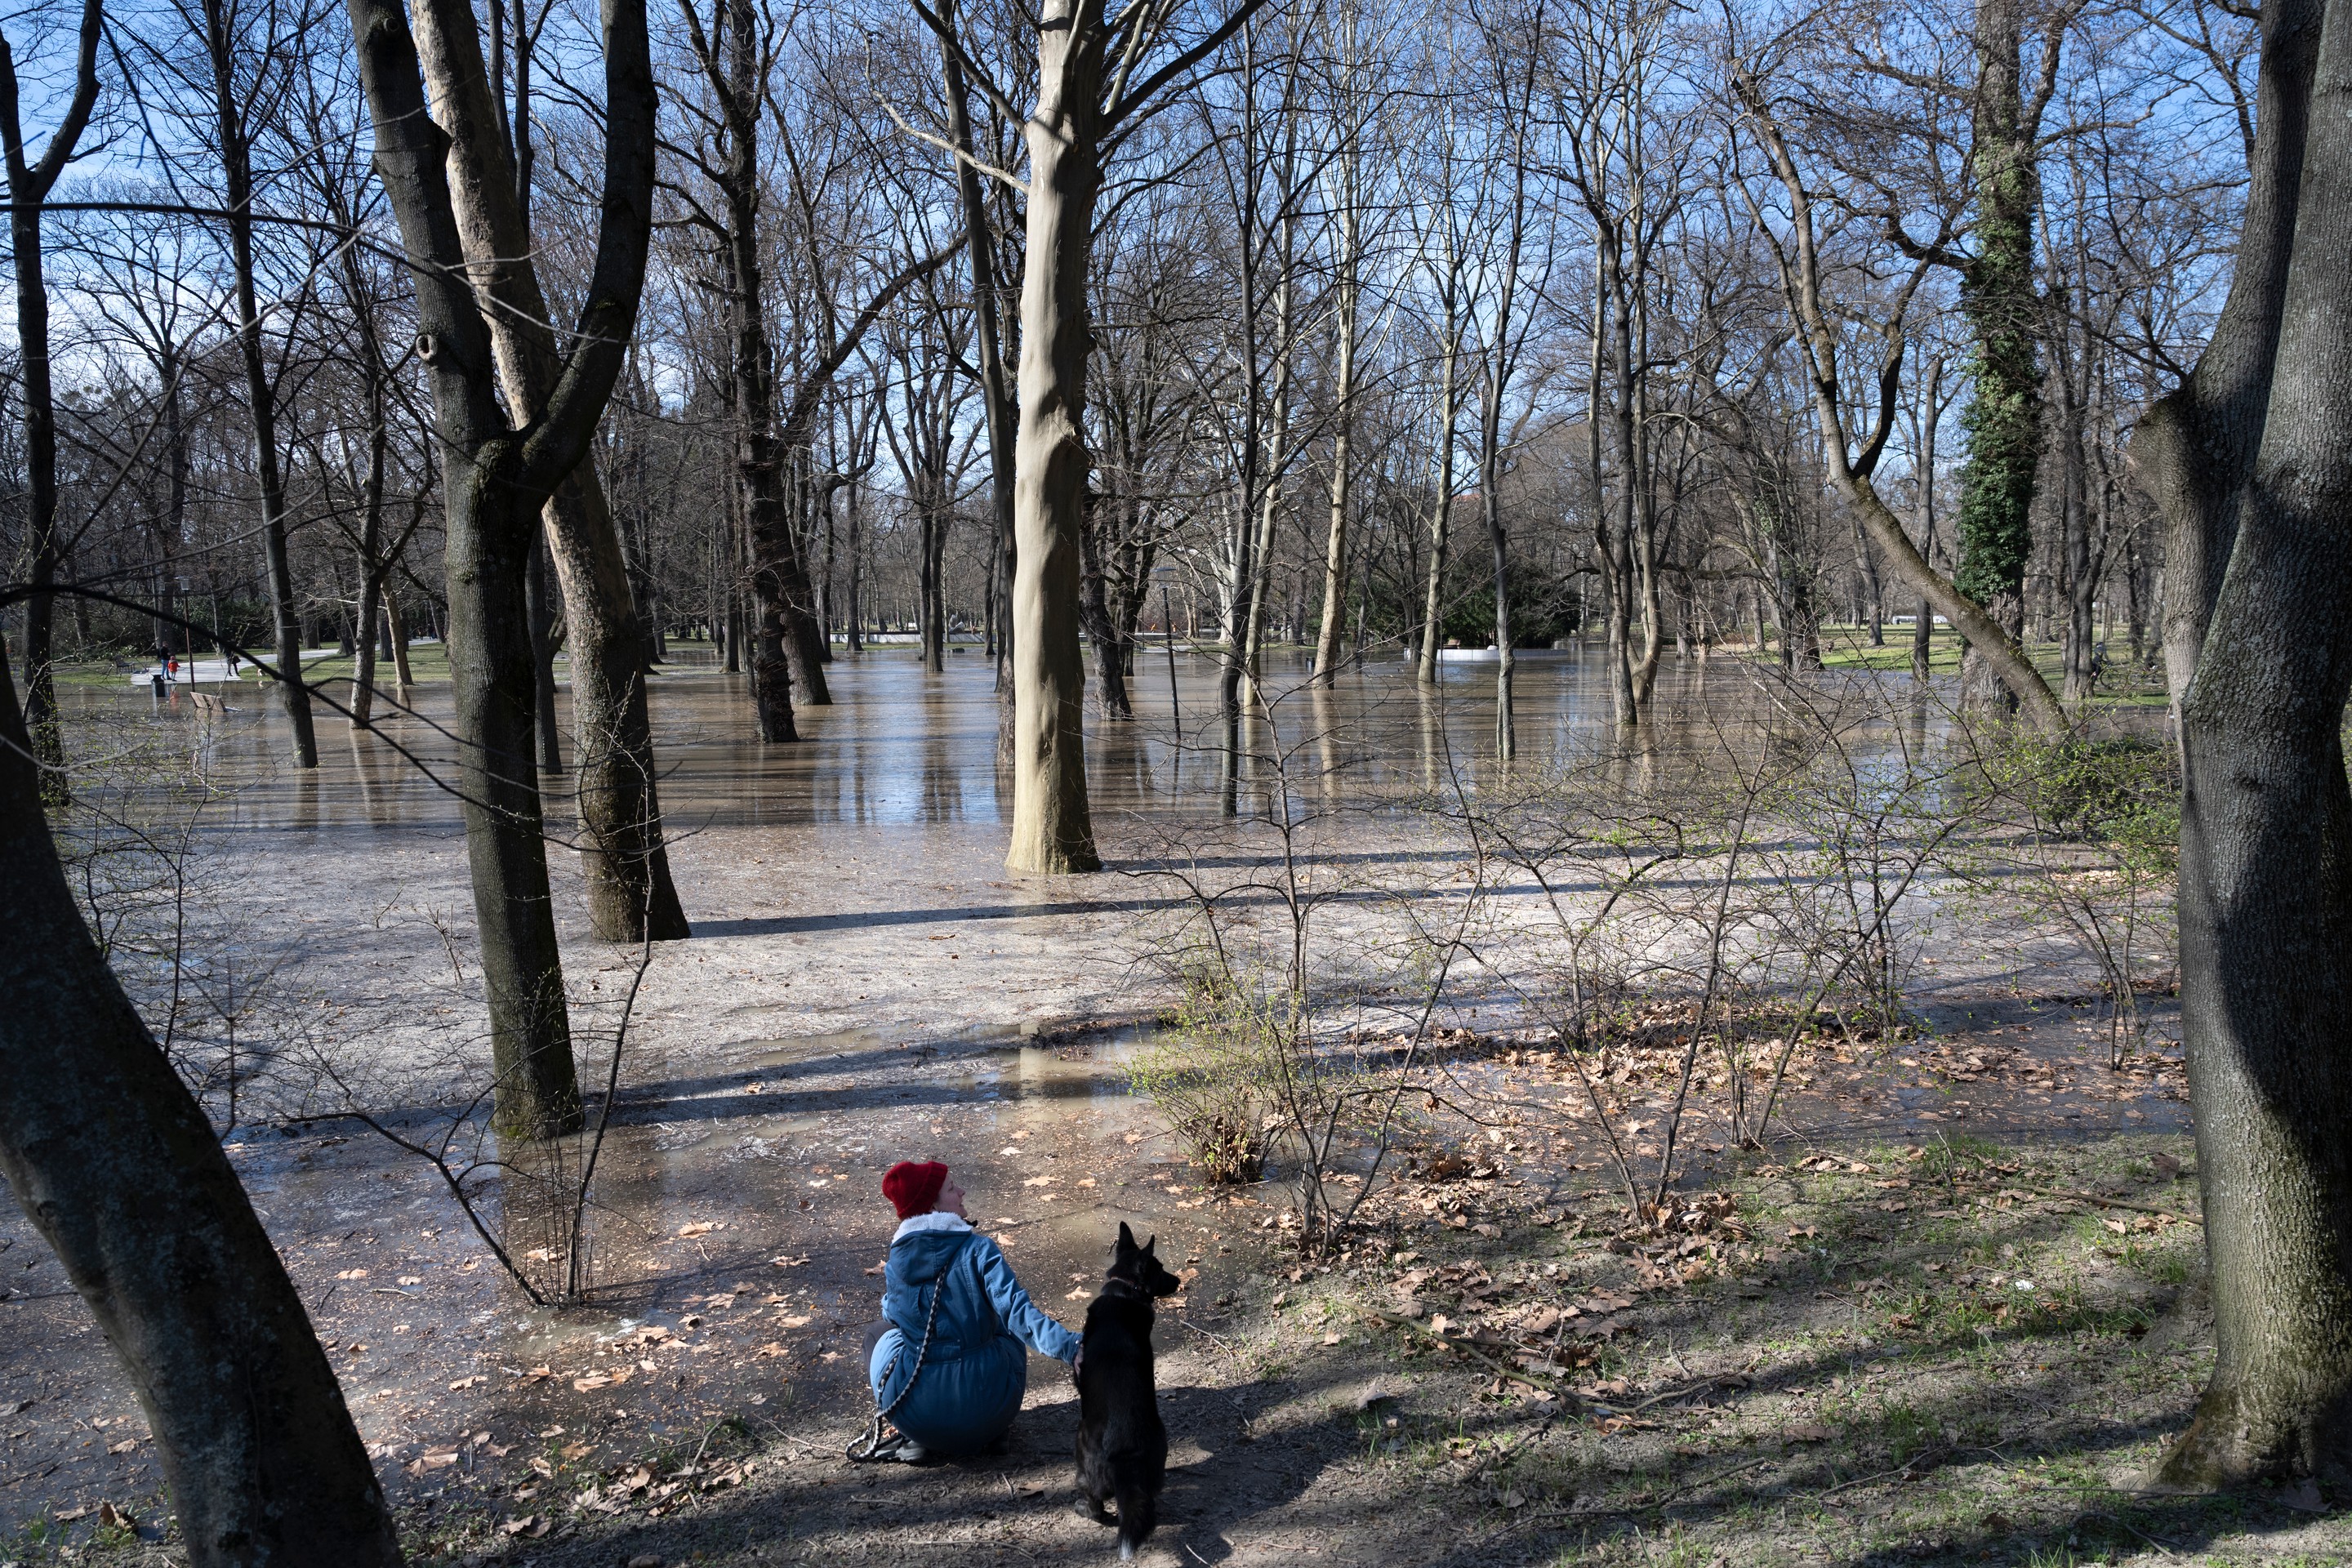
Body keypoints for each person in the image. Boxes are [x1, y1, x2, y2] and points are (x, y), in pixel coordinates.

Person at [865, 1160, 1078, 1463]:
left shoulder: (897, 1262)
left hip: (918, 1420)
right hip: (991, 1413)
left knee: (879, 1334)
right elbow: (1020, 1315)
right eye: (952, 1188)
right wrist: (1074, 1348)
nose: (962, 1191)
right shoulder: (979, 1250)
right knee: (1005, 1324)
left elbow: (893, 1315)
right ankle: (994, 1434)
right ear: (932, 1206)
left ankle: (916, 1438)